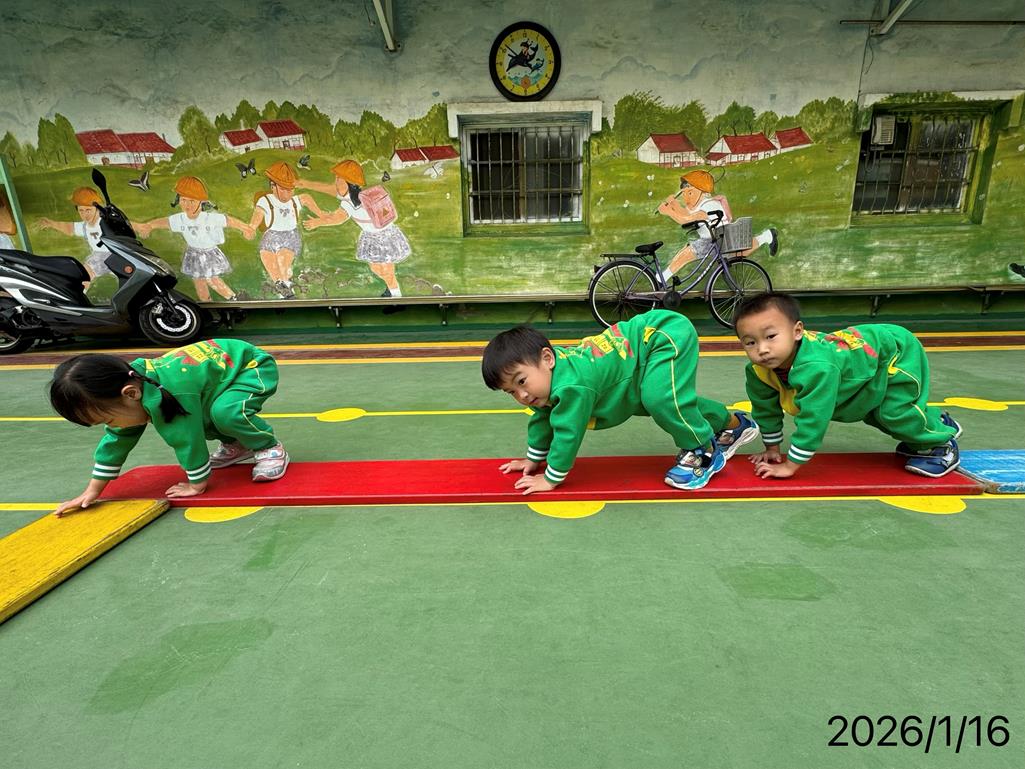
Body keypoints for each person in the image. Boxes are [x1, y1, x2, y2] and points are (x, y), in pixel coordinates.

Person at [481, 309, 759, 494]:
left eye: (521, 381)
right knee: (666, 400)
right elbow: (543, 418)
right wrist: (533, 458)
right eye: (511, 392)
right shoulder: (545, 381)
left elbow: (567, 432)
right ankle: (733, 425)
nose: (522, 396)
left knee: (661, 399)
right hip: (631, 367)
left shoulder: (571, 386)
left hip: (661, 335)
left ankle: (703, 451)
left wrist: (551, 477)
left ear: (547, 358)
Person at [733, 292, 961, 479]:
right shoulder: (758, 371)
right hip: (865, 362)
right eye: (750, 342)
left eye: (771, 336)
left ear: (797, 331)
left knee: (893, 412)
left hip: (894, 352)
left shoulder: (817, 367)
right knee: (874, 412)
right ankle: (933, 421)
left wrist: (790, 466)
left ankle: (941, 443)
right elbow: (766, 409)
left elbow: (813, 418)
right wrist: (772, 449)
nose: (762, 349)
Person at [50, 339, 290, 516]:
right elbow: (115, 442)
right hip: (217, 378)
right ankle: (236, 444)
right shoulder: (133, 389)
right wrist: (92, 490)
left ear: (131, 394)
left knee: (225, 413)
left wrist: (197, 484)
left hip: (249, 366)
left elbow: (186, 437)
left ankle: (268, 447)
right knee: (203, 411)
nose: (112, 427)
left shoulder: (172, 392)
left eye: (108, 421)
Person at [299, 159, 412, 300]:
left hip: (384, 237)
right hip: (372, 236)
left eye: (339, 179)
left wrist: (319, 222)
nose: (335, 183)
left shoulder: (352, 203)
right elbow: (328, 189)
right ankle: (391, 288)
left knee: (386, 270)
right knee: (375, 267)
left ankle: (396, 295)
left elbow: (337, 218)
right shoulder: (350, 197)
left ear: (349, 183)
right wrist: (304, 184)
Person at [135, 176, 254, 302]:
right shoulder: (181, 219)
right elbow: (166, 222)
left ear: (201, 202)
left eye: (192, 201)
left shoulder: (209, 218)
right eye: (183, 200)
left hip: (209, 254)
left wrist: (245, 228)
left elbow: (228, 221)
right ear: (178, 200)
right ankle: (206, 303)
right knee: (199, 282)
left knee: (212, 279)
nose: (187, 205)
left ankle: (233, 298)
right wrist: (150, 226)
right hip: (193, 254)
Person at [656, 169, 778, 285]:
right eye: (683, 194)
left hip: (716, 238)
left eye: (689, 193)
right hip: (719, 237)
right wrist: (674, 205)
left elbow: (686, 219)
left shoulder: (709, 205)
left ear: (701, 192)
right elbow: (686, 214)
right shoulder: (699, 204)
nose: (685, 198)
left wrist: (669, 212)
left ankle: (661, 279)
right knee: (737, 253)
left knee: (687, 253)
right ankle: (767, 236)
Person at [248, 161, 327, 299]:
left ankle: (286, 287)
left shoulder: (295, 201)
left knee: (282, 261)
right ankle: (281, 286)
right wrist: (252, 228)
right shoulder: (265, 201)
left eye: (290, 190)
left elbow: (307, 198)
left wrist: (321, 216)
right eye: (283, 189)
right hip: (270, 237)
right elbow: (258, 215)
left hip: (289, 237)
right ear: (272, 186)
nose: (287, 194)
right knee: (267, 259)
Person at [36, 187, 117, 290]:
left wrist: (139, 227)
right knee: (81, 273)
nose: (85, 214)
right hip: (98, 256)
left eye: (88, 210)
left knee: (84, 275)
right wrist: (52, 223)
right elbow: (70, 228)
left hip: (111, 255)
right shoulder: (85, 226)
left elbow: (127, 225)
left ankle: (81, 293)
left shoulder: (105, 222)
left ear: (97, 208)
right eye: (81, 210)